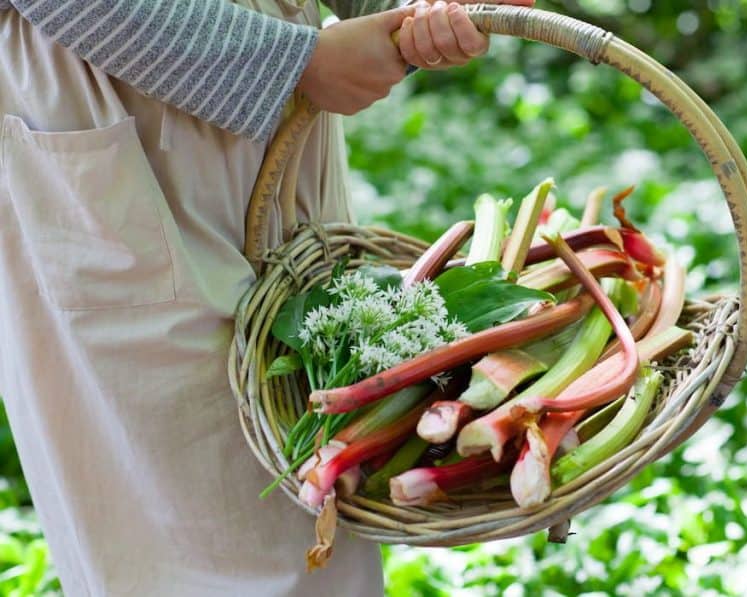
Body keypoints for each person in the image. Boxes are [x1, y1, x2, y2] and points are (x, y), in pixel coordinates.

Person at [0, 0, 532, 595]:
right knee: (194, 534)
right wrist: (288, 62)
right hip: (119, 87)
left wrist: (410, 14)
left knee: (316, 504)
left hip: (285, 104)